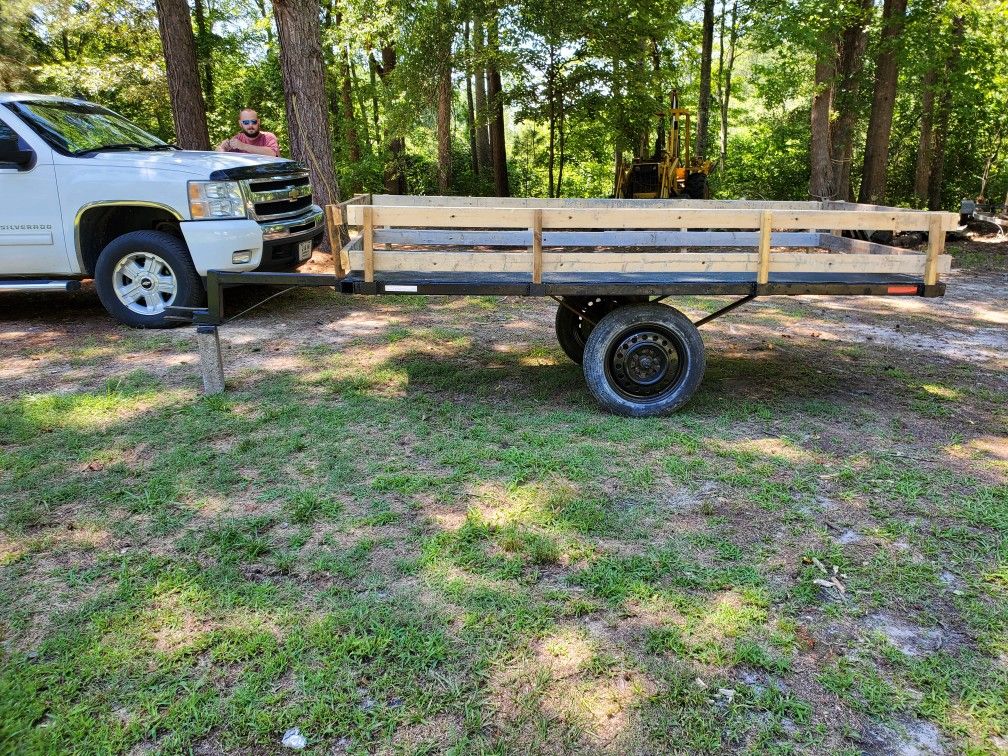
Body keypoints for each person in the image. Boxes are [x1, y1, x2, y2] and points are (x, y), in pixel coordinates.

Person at [215, 109, 280, 156]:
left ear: (259, 122)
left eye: (253, 122)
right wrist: (222, 147)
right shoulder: (238, 138)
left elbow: (272, 153)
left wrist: (243, 146)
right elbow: (218, 154)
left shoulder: (268, 137)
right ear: (240, 124)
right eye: (246, 122)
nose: (250, 125)